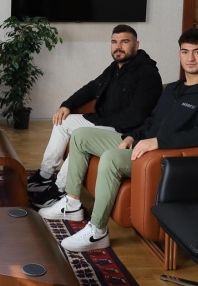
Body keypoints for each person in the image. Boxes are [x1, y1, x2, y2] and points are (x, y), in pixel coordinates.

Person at [40, 28, 198, 252]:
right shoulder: (173, 88)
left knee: (111, 158)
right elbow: (152, 120)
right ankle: (72, 203)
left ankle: (97, 232)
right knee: (80, 136)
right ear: (180, 54)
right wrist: (133, 136)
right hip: (143, 144)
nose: (190, 58)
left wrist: (159, 142)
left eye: (197, 52)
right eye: (185, 52)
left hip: (165, 156)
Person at [28, 25, 162, 209]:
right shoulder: (116, 67)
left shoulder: (147, 74)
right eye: (114, 42)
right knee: (63, 121)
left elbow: (136, 116)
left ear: (136, 45)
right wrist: (67, 105)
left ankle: (59, 188)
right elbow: (91, 88)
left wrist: (98, 123)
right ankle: (44, 175)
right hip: (102, 121)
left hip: (123, 130)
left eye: (124, 42)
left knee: (81, 136)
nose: (118, 47)